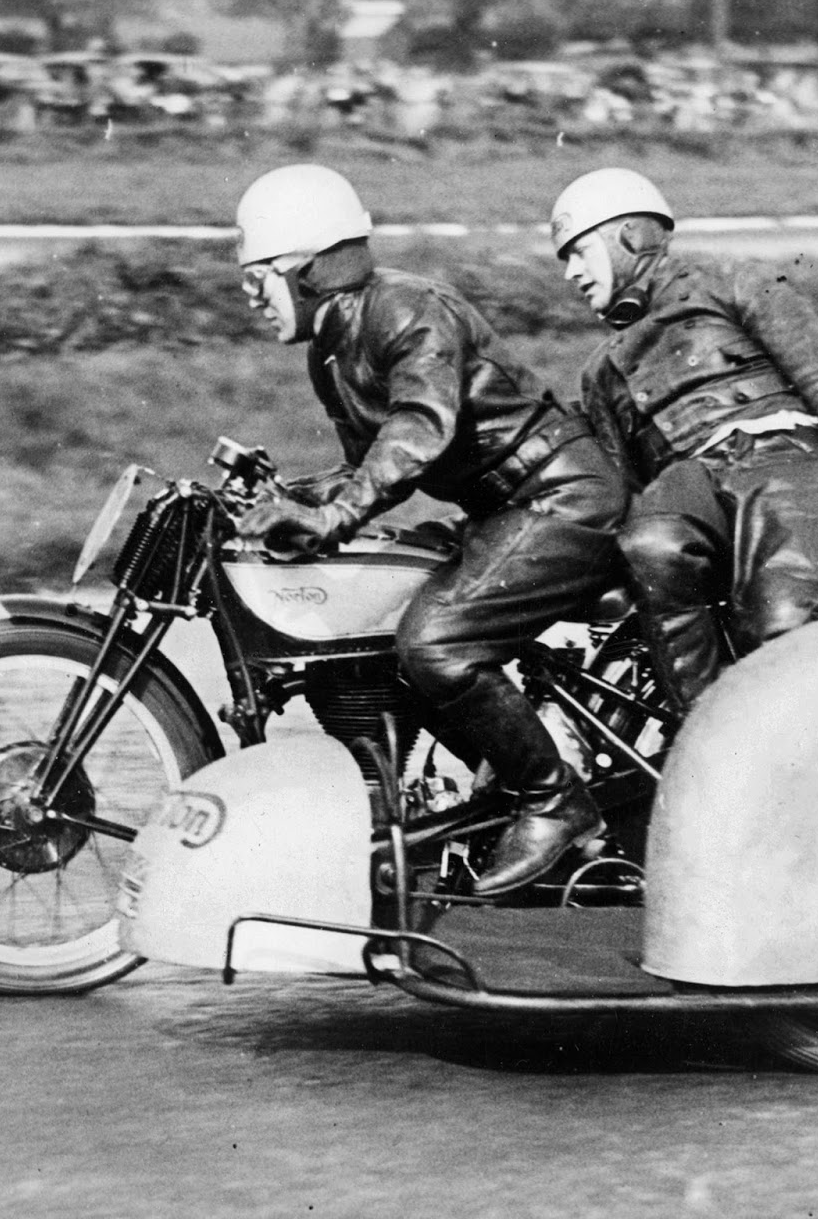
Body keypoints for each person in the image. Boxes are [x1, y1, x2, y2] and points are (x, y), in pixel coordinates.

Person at [233, 164, 630, 895]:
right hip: (504, 508)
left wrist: (332, 515)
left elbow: (417, 430)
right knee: (386, 619)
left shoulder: (408, 311)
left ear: (311, 270)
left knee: (436, 640)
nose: (252, 298)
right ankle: (486, 787)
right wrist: (284, 501)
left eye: (260, 278)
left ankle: (552, 801)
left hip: (560, 497)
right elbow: (368, 463)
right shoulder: (331, 349)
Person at [548, 167, 818, 713]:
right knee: (650, 544)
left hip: (788, 460)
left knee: (787, 634)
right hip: (696, 480)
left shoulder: (733, 281)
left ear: (629, 236)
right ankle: (703, 726)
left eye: (579, 252)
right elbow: (626, 485)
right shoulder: (601, 371)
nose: (571, 273)